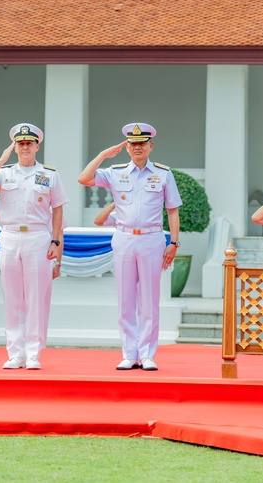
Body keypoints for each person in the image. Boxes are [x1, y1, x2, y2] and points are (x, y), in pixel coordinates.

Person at [79, 123, 181, 371]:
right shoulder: (115, 172)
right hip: (124, 237)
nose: (138, 147)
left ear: (150, 146)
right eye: (133, 144)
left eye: (142, 143)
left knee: (149, 298)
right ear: (127, 147)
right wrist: (104, 155)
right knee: (125, 298)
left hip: (152, 238)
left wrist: (174, 242)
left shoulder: (163, 174)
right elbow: (84, 178)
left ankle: (147, 354)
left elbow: (173, 211)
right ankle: (128, 353)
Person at [0, 123, 67, 371]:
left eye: (29, 143)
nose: (25, 147)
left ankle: (34, 353)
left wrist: (55, 241)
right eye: (20, 143)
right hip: (10, 236)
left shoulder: (49, 174)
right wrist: (1, 159)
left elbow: (58, 209)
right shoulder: (5, 173)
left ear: (37, 145)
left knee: (37, 297)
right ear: (14, 146)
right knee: (13, 296)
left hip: (38, 236)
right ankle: (15, 352)